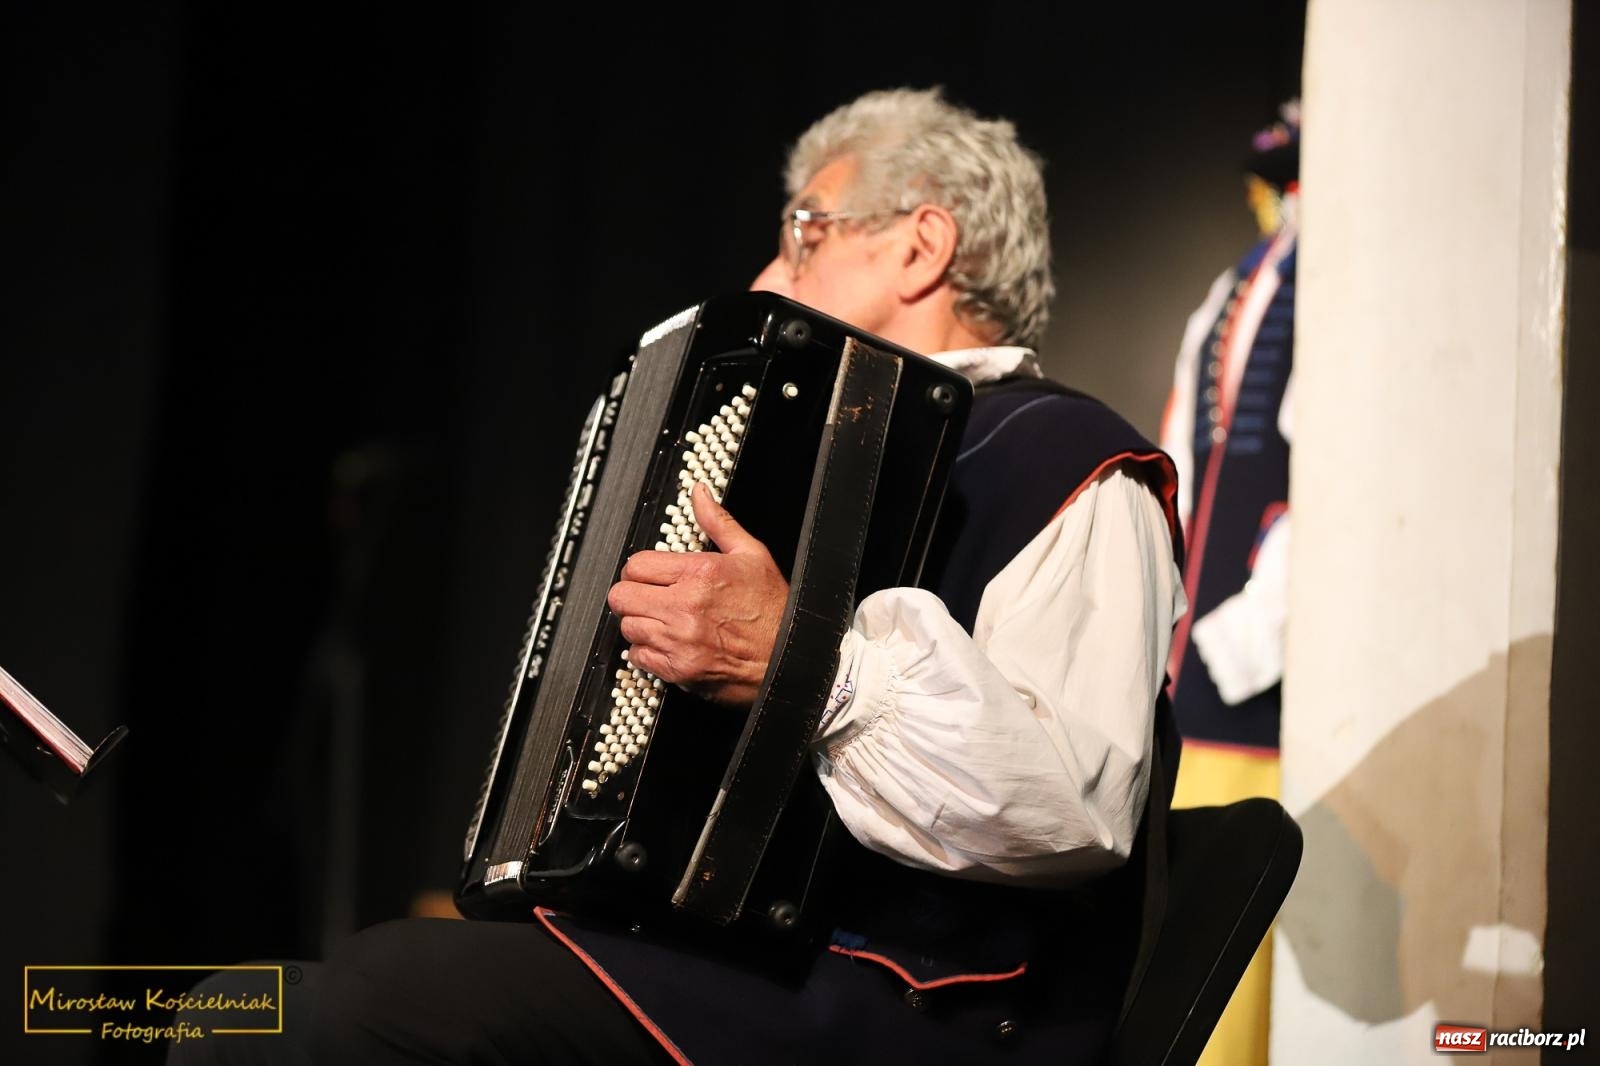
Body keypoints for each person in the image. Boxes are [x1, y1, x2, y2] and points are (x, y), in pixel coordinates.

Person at [170, 87, 1185, 1066]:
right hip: (732, 962)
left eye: (806, 230)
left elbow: (1071, 802)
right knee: (239, 1008)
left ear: (920, 245)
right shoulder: (822, 453)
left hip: (906, 1005)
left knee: (352, 1002)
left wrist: (805, 666)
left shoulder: (1073, 459)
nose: (764, 275)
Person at [1159, 100, 1299, 1066]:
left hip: (1264, 660)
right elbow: (1182, 448)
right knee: (1193, 913)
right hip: (1199, 653)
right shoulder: (1234, 287)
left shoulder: (1326, 281)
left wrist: (1255, 628)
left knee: (1254, 920)